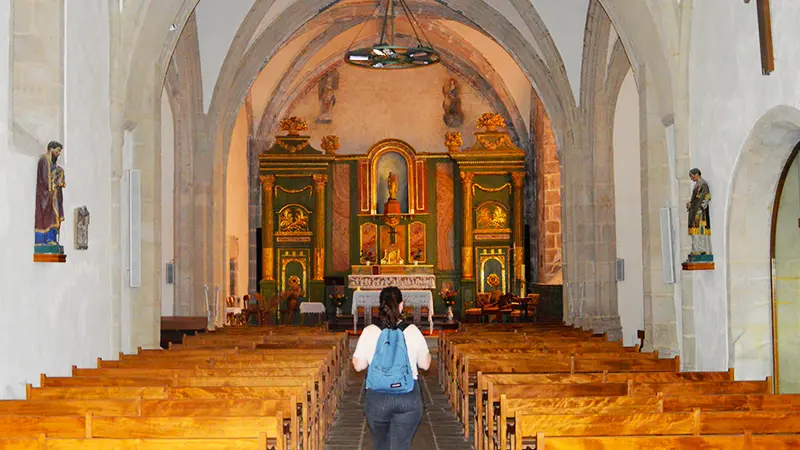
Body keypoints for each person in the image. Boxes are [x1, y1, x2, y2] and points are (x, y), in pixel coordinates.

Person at [352, 286, 432, 450]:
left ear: (380, 305)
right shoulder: (412, 331)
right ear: (401, 305)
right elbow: (425, 365)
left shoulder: (370, 331)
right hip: (407, 396)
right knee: (401, 445)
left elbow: (358, 366)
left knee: (381, 445)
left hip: (377, 398)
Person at [34, 141, 65, 247]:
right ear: (51, 149)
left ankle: (51, 238)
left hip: (53, 195)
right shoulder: (43, 160)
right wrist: (52, 186)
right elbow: (44, 178)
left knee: (54, 216)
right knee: (44, 216)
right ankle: (42, 240)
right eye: (57, 151)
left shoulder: (53, 164)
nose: (58, 154)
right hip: (45, 195)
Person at [685, 168, 712, 259]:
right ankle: (696, 250)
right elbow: (695, 198)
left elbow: (707, 197)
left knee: (700, 232)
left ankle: (701, 250)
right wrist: (690, 203)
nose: (691, 178)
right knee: (694, 232)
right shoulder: (697, 185)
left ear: (697, 174)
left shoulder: (703, 184)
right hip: (694, 212)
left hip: (700, 214)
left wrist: (700, 209)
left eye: (692, 176)